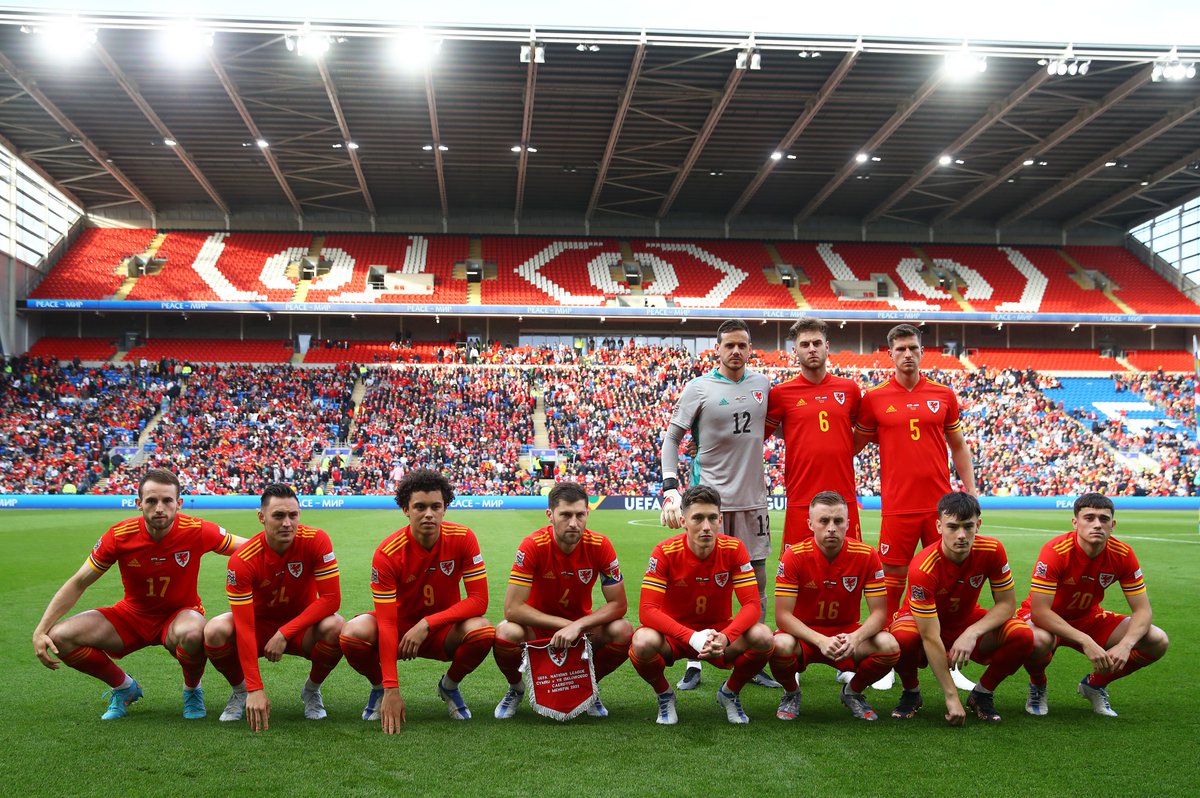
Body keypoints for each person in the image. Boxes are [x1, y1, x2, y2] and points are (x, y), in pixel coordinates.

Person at [32, 468, 242, 720]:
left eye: (167, 500)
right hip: (132, 616)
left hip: (180, 616)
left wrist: (297, 542)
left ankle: (192, 689)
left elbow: (248, 547)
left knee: (193, 632)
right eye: (151, 501)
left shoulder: (196, 529)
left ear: (179, 503)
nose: (160, 507)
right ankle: (123, 687)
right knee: (60, 637)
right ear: (139, 503)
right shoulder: (119, 535)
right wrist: (41, 630)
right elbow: (78, 582)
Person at [855, 323, 977, 690]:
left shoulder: (943, 394)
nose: (907, 354)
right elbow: (851, 447)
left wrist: (969, 493)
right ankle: (888, 657)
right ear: (889, 354)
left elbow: (958, 446)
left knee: (946, 584)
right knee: (891, 584)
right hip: (897, 507)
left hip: (941, 509)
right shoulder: (874, 398)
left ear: (922, 352)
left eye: (913, 348)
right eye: (900, 349)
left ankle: (952, 660)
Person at [659, 318, 777, 691]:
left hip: (753, 502)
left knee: (755, 584)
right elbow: (671, 439)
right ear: (718, 348)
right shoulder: (699, 388)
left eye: (743, 345)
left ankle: (750, 658)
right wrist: (670, 488)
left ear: (750, 347)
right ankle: (694, 659)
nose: (737, 351)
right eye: (730, 345)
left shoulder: (763, 384)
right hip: (709, 502)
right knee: (701, 586)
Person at [338, 468, 494, 733]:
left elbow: (479, 601)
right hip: (398, 630)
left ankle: (449, 686)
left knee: (483, 631)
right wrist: (390, 687)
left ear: (445, 508)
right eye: (420, 507)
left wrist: (427, 624)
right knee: (351, 634)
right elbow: (386, 622)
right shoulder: (387, 553)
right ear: (405, 510)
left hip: (441, 630)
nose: (429, 514)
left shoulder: (464, 538)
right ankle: (377, 689)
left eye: (436, 506)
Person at [203, 484, 344, 731]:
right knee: (214, 630)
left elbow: (332, 599)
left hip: (300, 628)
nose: (287, 523)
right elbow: (245, 626)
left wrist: (285, 632)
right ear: (262, 517)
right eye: (278, 516)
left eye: (293, 515)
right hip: (258, 628)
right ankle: (240, 691)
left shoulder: (316, 539)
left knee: (337, 626)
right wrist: (255, 687)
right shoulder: (243, 559)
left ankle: (311, 691)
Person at [630, 485, 775, 724]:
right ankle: (665, 694)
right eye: (697, 518)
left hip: (718, 633)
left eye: (711, 518)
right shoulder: (665, 551)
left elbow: (751, 605)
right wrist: (691, 637)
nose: (706, 526)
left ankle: (730, 692)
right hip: (675, 636)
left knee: (763, 636)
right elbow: (647, 611)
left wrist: (726, 637)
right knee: (642, 641)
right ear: (684, 520)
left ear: (720, 519)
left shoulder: (734, 548)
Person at [887, 492, 1033, 725]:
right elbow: (929, 635)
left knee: (1023, 635)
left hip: (966, 620)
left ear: (979, 525)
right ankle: (911, 692)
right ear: (938, 526)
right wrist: (951, 696)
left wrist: (972, 632)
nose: (961, 535)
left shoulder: (993, 550)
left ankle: (982, 694)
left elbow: (1006, 604)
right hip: (922, 623)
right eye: (952, 527)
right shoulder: (923, 567)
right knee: (902, 638)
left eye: (968, 526)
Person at [1019, 493, 1169, 717]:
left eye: (1103, 519)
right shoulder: (1056, 551)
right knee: (1036, 641)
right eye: (1089, 518)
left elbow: (1143, 610)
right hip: (1046, 619)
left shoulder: (1123, 554)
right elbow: (1040, 613)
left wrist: (1126, 644)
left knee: (1157, 640)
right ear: (1075, 522)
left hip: (1088, 618)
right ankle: (1038, 684)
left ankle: (1095, 684)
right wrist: (1085, 640)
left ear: (1113, 525)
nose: (1097, 524)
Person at [492, 481, 632, 719]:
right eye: (565, 515)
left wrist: (576, 626)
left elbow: (619, 605)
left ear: (588, 513)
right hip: (538, 632)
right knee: (505, 633)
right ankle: (516, 688)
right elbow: (512, 609)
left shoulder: (600, 545)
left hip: (581, 631)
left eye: (580, 515)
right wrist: (564, 626)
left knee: (624, 629)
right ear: (550, 515)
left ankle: (588, 687)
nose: (574, 523)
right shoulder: (533, 545)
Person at [769, 491, 899, 721]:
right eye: (824, 521)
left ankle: (853, 692)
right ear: (811, 524)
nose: (831, 527)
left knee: (889, 646)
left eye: (838, 521)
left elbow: (880, 613)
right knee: (778, 644)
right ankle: (791, 693)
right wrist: (819, 640)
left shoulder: (867, 555)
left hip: (847, 634)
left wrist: (856, 638)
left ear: (848, 523)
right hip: (805, 636)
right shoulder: (793, 556)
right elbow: (782, 616)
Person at [765, 317, 863, 548]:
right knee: (794, 572)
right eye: (805, 344)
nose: (812, 349)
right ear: (795, 350)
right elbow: (756, 435)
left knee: (852, 568)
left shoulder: (849, 389)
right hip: (801, 498)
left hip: (843, 497)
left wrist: (846, 449)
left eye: (817, 343)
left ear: (827, 347)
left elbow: (866, 430)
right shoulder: (781, 393)